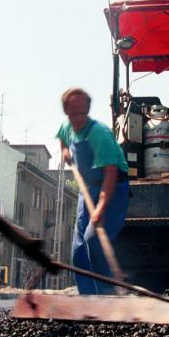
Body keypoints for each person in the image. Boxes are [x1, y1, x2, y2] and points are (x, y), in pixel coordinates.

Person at [55, 87, 130, 295]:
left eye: (82, 113)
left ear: (88, 111)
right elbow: (62, 136)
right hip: (87, 187)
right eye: (73, 114)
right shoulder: (67, 125)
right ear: (66, 112)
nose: (78, 119)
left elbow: (111, 173)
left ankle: (107, 294)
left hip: (112, 188)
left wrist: (99, 210)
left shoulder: (100, 133)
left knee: (94, 238)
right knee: (78, 249)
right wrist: (64, 150)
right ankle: (88, 298)